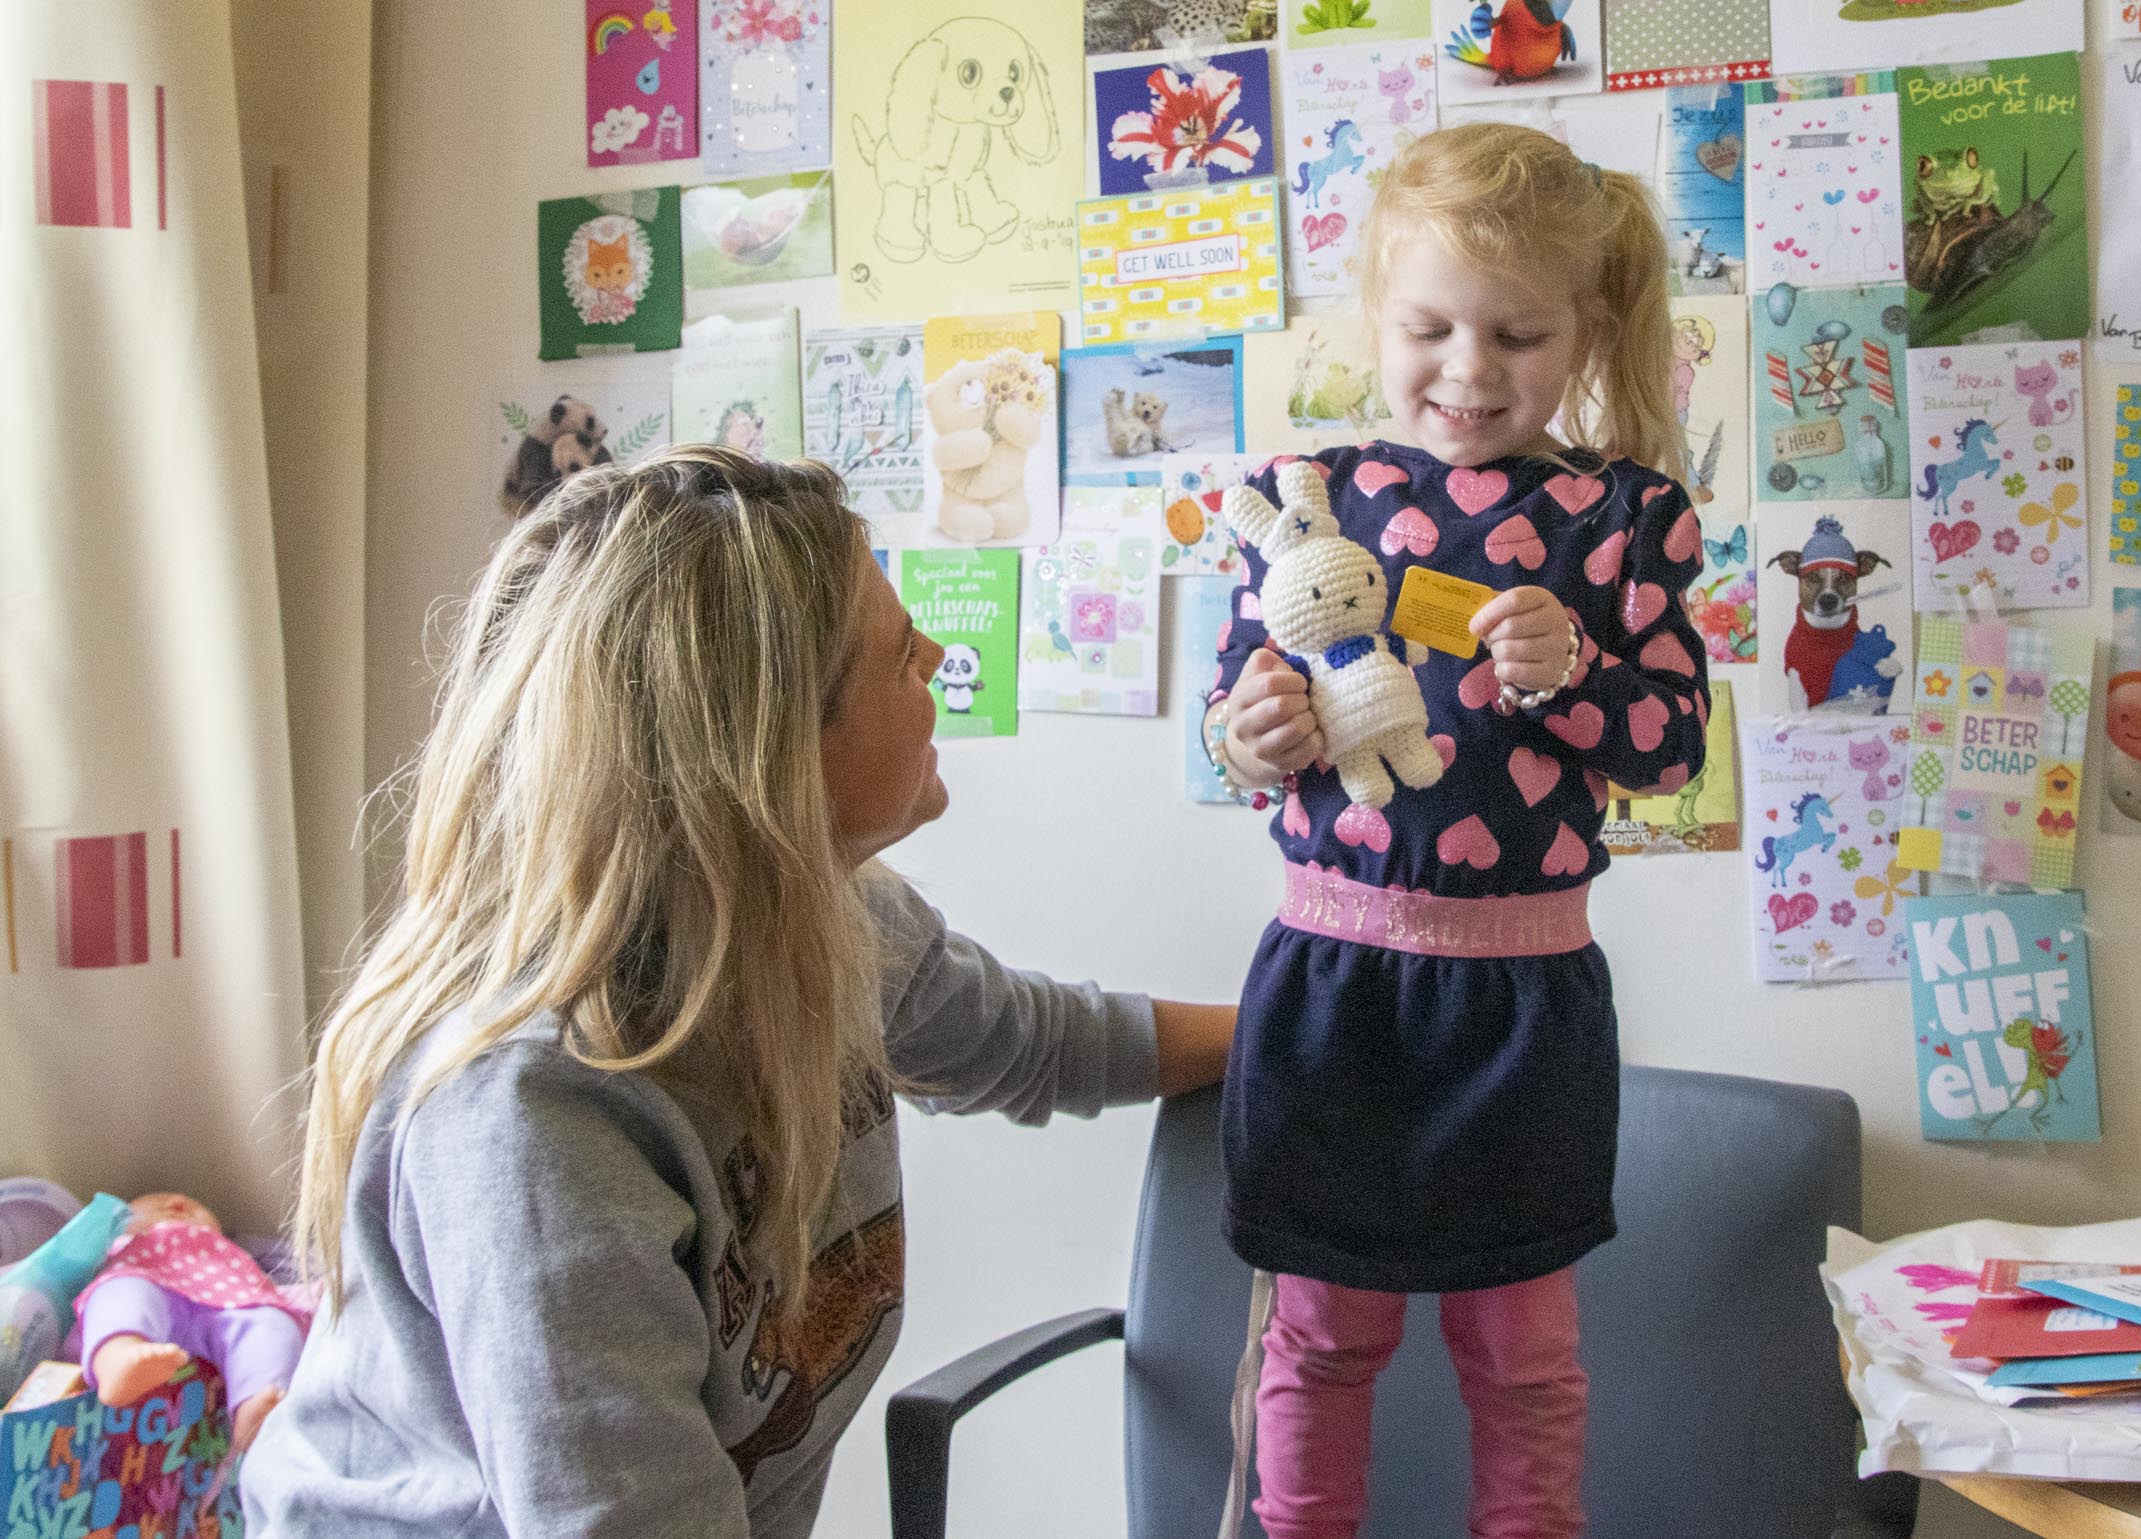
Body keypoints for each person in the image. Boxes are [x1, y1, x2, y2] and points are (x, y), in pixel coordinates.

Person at [240, 446, 1232, 1538]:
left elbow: (1036, 1043)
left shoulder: (826, 921)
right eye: (903, 654)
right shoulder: (538, 1122)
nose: (939, 656)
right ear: (770, 760)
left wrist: (1309, 1029)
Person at [1201, 123, 1710, 1539]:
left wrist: (1576, 677)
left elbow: (1670, 746)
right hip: (1329, 983)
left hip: (1522, 997)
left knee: (1525, 1355)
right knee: (1319, 1337)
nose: (1471, 372)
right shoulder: (1308, 499)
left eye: (1519, 333)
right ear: (1375, 315)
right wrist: (1248, 735)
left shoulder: (1624, 519)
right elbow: (1235, 728)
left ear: (1589, 330)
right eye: (1429, 328)